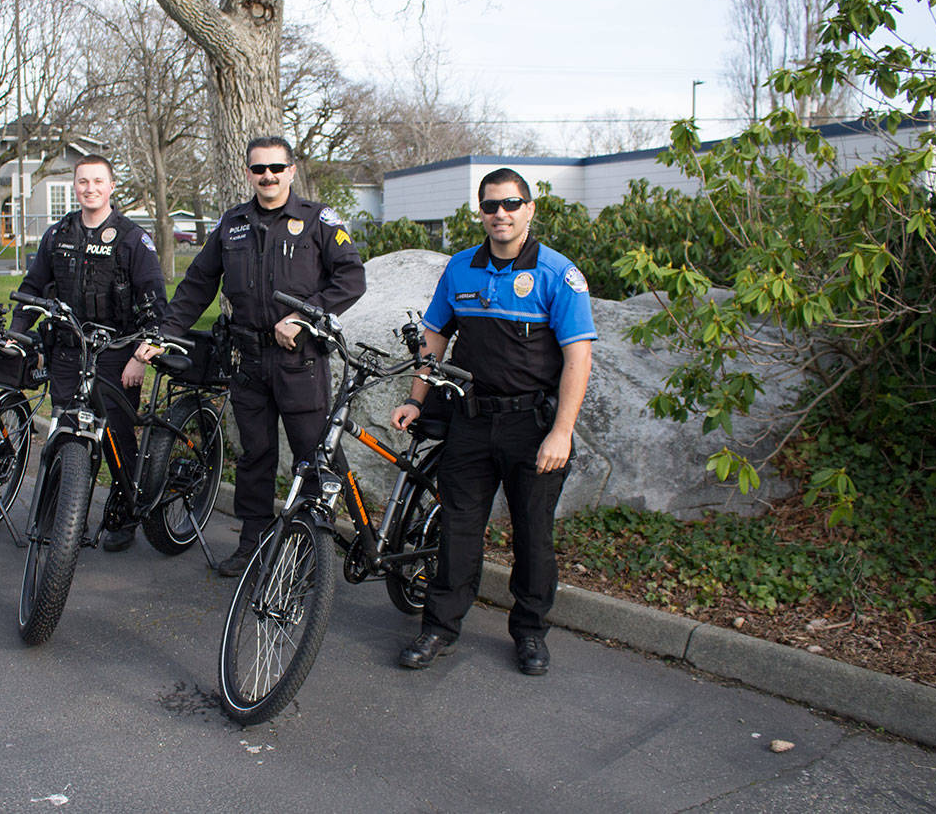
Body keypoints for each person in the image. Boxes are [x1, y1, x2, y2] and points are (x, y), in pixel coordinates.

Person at [390, 167, 595, 675]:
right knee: (458, 531)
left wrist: (562, 432)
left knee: (532, 535)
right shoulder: (461, 269)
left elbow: (578, 358)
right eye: (489, 206)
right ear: (479, 212)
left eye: (510, 203)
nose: (499, 214)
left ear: (530, 208)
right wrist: (417, 398)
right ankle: (439, 628)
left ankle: (529, 634)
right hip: (472, 421)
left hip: (533, 428)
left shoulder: (557, 273)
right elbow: (434, 337)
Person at [139, 136, 366, 577]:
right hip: (248, 360)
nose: (268, 176)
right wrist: (166, 333)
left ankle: (307, 554)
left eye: (276, 168)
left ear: (292, 171)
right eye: (259, 169)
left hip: (298, 360)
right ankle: (252, 545)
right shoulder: (233, 223)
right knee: (255, 456)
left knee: (311, 456)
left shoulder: (318, 220)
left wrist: (304, 316)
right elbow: (198, 284)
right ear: (247, 173)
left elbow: (351, 279)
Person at [10, 154, 167, 552]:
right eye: (83, 181)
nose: (90, 188)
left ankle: (123, 509)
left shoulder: (133, 239)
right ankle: (58, 514)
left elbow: (154, 304)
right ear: (75, 187)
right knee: (64, 433)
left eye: (98, 181)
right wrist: (17, 333)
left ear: (112, 187)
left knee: (116, 436)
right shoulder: (57, 235)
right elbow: (32, 287)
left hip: (116, 355)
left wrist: (139, 357)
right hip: (67, 353)